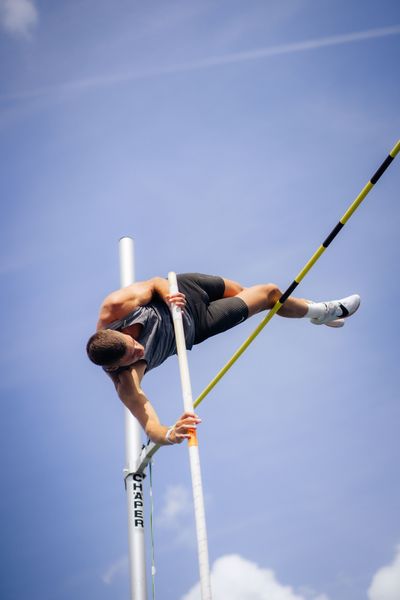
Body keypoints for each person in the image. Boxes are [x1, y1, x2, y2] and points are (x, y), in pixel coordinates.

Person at [86, 273, 360, 445]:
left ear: (118, 331)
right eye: (132, 356)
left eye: (133, 343)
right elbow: (151, 427)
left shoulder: (116, 307)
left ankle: (313, 314)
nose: (139, 350)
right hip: (200, 324)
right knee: (268, 293)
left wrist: (169, 295)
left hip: (183, 289)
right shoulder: (126, 382)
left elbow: (155, 282)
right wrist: (171, 433)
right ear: (116, 366)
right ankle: (321, 311)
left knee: (248, 289)